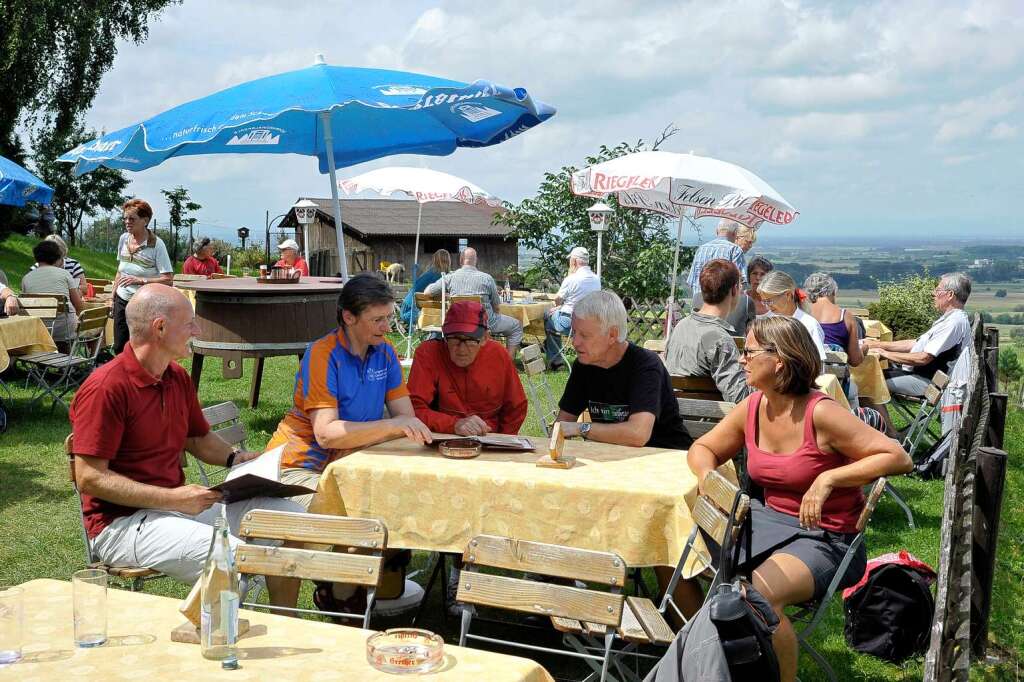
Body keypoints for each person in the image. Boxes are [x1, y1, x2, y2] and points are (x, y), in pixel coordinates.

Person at [687, 315, 913, 682]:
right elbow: (703, 448)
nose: (740, 359)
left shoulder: (820, 412)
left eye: (748, 352)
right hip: (766, 523)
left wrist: (829, 477)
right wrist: (706, 475)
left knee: (759, 594)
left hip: (825, 536)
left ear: (778, 360)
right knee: (685, 559)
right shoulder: (754, 405)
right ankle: (714, 658)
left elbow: (898, 456)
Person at [68, 284, 301, 608]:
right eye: (190, 323)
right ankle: (217, 644)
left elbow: (197, 438)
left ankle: (282, 625)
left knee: (291, 522)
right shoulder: (106, 388)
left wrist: (239, 458)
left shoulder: (176, 377)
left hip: (177, 509)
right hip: (121, 525)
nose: (197, 330)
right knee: (230, 559)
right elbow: (90, 478)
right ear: (160, 328)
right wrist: (174, 498)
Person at [269, 273, 433, 510]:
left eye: (388, 317)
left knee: (402, 502)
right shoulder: (323, 355)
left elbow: (406, 417)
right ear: (348, 317)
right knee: (361, 512)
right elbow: (326, 434)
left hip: (350, 463)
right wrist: (391, 426)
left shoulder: (385, 352)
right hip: (297, 469)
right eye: (377, 320)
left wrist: (398, 425)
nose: (387, 327)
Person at [555, 290, 691, 449]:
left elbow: (638, 434)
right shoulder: (585, 364)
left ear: (612, 335)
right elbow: (562, 424)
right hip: (617, 459)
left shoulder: (645, 365)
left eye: (584, 335)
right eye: (574, 332)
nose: (575, 342)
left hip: (665, 456)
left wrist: (581, 428)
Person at [864, 272, 972, 435]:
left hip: (928, 382)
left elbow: (924, 357)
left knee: (866, 385)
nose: (933, 294)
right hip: (926, 378)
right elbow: (915, 344)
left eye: (938, 289)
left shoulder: (954, 323)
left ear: (950, 295)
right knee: (870, 378)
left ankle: (891, 437)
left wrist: (884, 353)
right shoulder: (951, 319)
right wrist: (878, 345)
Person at [407, 300, 528, 435]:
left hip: (490, 438)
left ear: (484, 338)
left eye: (470, 340)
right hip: (440, 437)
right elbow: (412, 409)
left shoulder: (498, 354)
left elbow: (516, 406)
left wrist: (502, 442)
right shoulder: (428, 353)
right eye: (454, 338)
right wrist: (453, 425)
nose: (461, 349)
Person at [665, 259, 751, 404]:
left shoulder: (681, 326)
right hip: (710, 421)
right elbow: (740, 398)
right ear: (734, 290)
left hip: (676, 416)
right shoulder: (719, 339)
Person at [424, 247, 523, 356]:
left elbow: (427, 292)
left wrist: (447, 295)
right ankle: (507, 362)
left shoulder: (450, 277)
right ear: (476, 261)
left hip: (458, 322)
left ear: (461, 260)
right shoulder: (487, 278)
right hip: (485, 323)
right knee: (516, 326)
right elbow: (497, 307)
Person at [112, 199, 174, 355]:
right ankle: (124, 378)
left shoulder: (157, 245)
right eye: (125, 218)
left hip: (145, 303)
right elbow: (120, 271)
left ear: (145, 220)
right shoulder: (123, 239)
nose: (127, 222)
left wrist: (142, 281)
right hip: (122, 299)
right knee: (119, 345)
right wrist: (111, 298)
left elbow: (168, 279)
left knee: (142, 346)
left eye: (132, 219)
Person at [543, 246, 601, 369]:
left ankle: (556, 361)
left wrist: (559, 307)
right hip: (589, 322)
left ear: (574, 261)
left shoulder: (571, 278)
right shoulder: (596, 279)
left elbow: (557, 299)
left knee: (548, 318)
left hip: (569, 322)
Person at [21, 239, 85, 351]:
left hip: (38, 331)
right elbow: (79, 306)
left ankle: (42, 365)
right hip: (64, 332)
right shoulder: (65, 274)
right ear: (58, 258)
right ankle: (69, 364)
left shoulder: (26, 278)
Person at [758, 270, 827, 361]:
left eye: (770, 301)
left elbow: (818, 362)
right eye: (764, 302)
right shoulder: (768, 322)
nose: (767, 306)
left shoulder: (809, 324)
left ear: (788, 295)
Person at [687, 219, 747, 310]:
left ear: (716, 231)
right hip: (721, 309)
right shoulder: (735, 250)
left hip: (698, 306)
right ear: (735, 233)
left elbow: (691, 282)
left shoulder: (701, 249)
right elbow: (740, 283)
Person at [400, 249, 451, 329]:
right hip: (411, 312)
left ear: (434, 260)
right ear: (448, 261)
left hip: (407, 308)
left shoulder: (430, 272)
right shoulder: (442, 277)